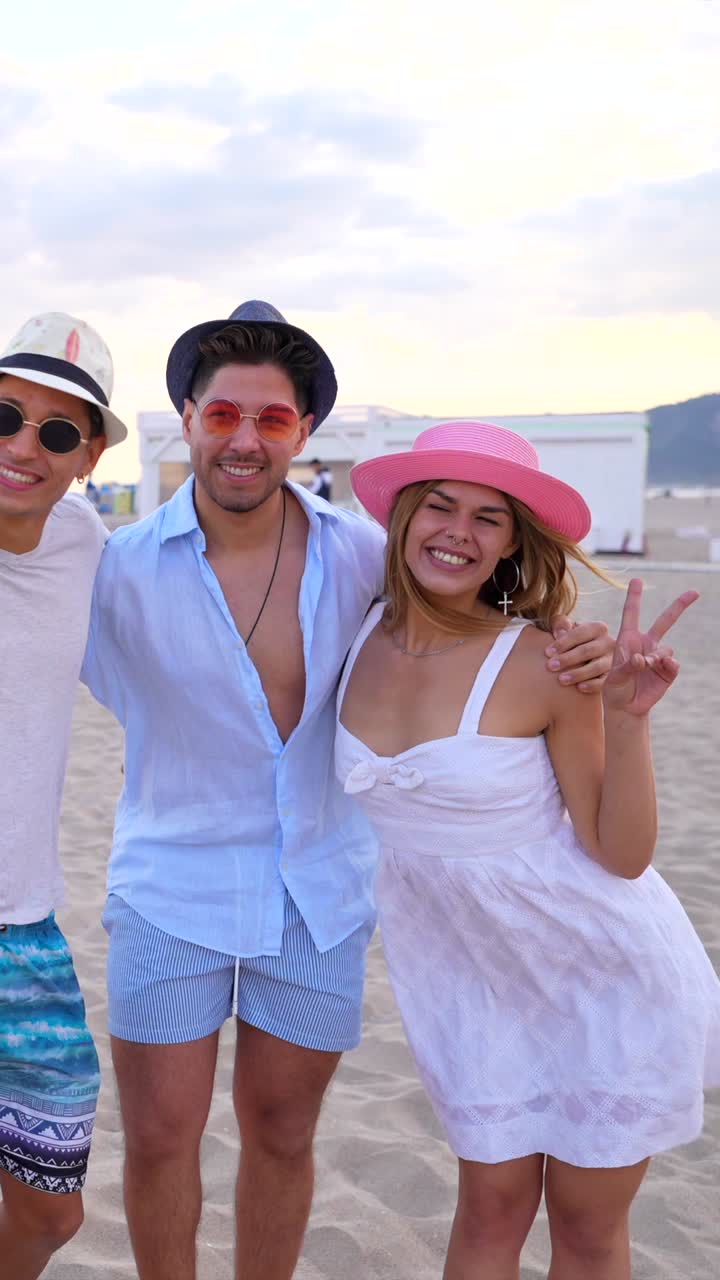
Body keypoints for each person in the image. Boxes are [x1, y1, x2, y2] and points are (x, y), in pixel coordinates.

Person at [82, 303, 615, 1280]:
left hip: (319, 890)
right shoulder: (113, 571)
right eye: (224, 414)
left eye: (273, 420)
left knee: (282, 1133)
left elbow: (475, 610)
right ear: (186, 419)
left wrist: (571, 637)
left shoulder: (362, 554)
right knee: (160, 1137)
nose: (246, 439)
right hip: (170, 882)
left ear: (304, 431)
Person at [335, 419, 720, 1280]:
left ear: (512, 544)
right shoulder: (352, 634)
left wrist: (626, 718)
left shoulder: (547, 662)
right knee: (488, 1209)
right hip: (471, 982)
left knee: (585, 1230)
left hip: (602, 978)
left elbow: (620, 854)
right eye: (440, 506)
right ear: (401, 520)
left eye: (488, 519)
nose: (458, 533)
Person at [0, 312, 127, 1279]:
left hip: (24, 932)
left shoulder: (86, 541)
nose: (21, 445)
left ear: (86, 456)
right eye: (4, 413)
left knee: (52, 1212)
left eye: (54, 431)